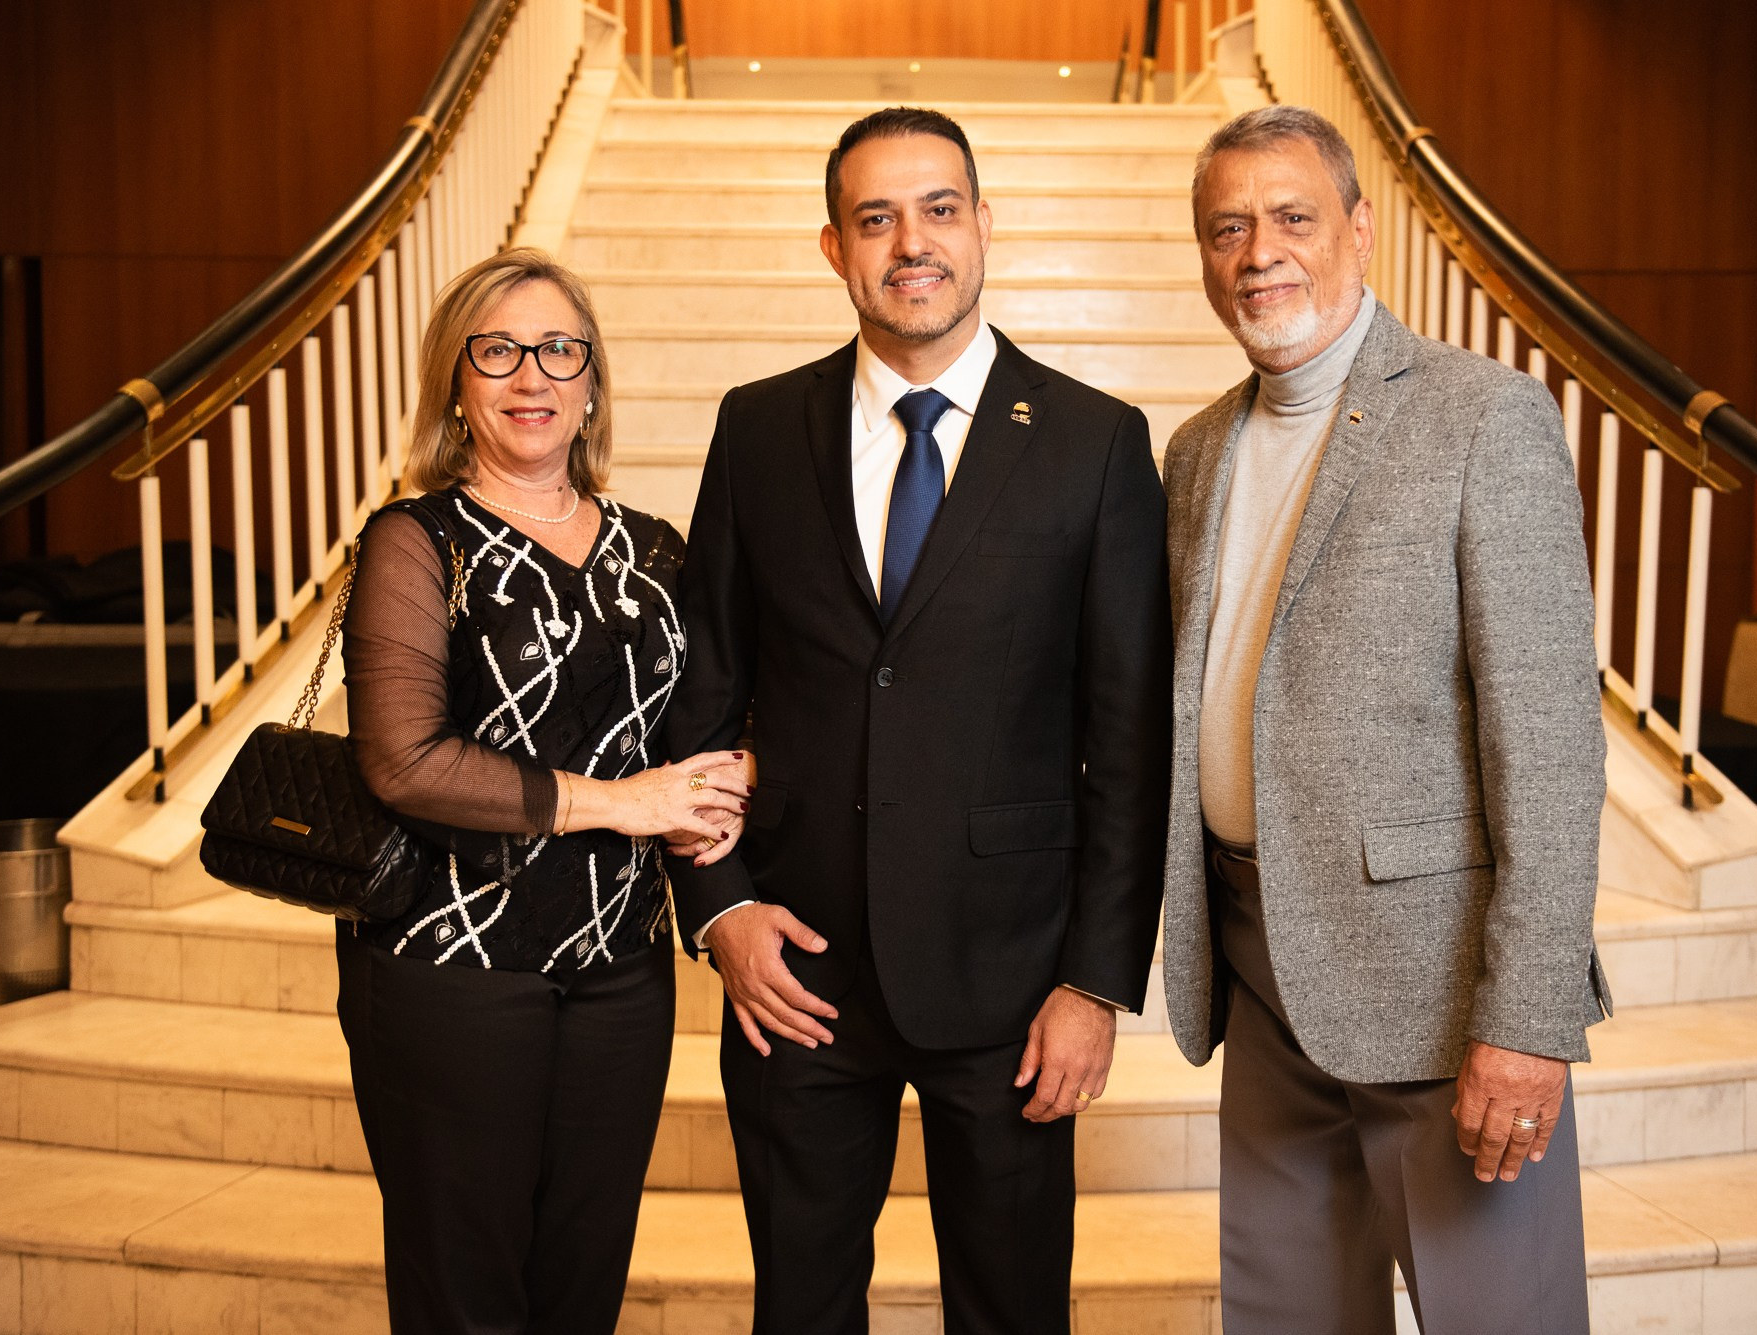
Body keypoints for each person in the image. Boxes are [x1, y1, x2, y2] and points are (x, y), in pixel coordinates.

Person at [666, 107, 1171, 1335]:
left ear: (983, 227)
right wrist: (721, 908)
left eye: (938, 209)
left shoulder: (1095, 444)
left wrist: (1094, 985)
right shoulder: (754, 427)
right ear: (832, 248)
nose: (911, 243)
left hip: (1009, 980)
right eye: (875, 217)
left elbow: (1129, 743)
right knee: (799, 1304)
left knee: (1009, 1309)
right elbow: (700, 693)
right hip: (795, 967)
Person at [1160, 106, 1610, 1334]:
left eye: (1292, 218)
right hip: (1257, 979)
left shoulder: (1482, 418)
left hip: (1437, 993)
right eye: (1226, 229)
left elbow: (1552, 745)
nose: (1259, 252)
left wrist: (1524, 1021)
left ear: (1359, 232)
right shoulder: (1194, 452)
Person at [338, 246, 750, 1334]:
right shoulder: (418, 543)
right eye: (500, 351)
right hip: (451, 970)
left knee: (582, 1280)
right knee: (466, 1293)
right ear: (458, 384)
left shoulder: (651, 551)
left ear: (592, 383)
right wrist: (626, 803)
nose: (532, 376)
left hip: (619, 971)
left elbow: (710, 713)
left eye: (559, 350)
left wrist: (738, 765)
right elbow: (403, 760)